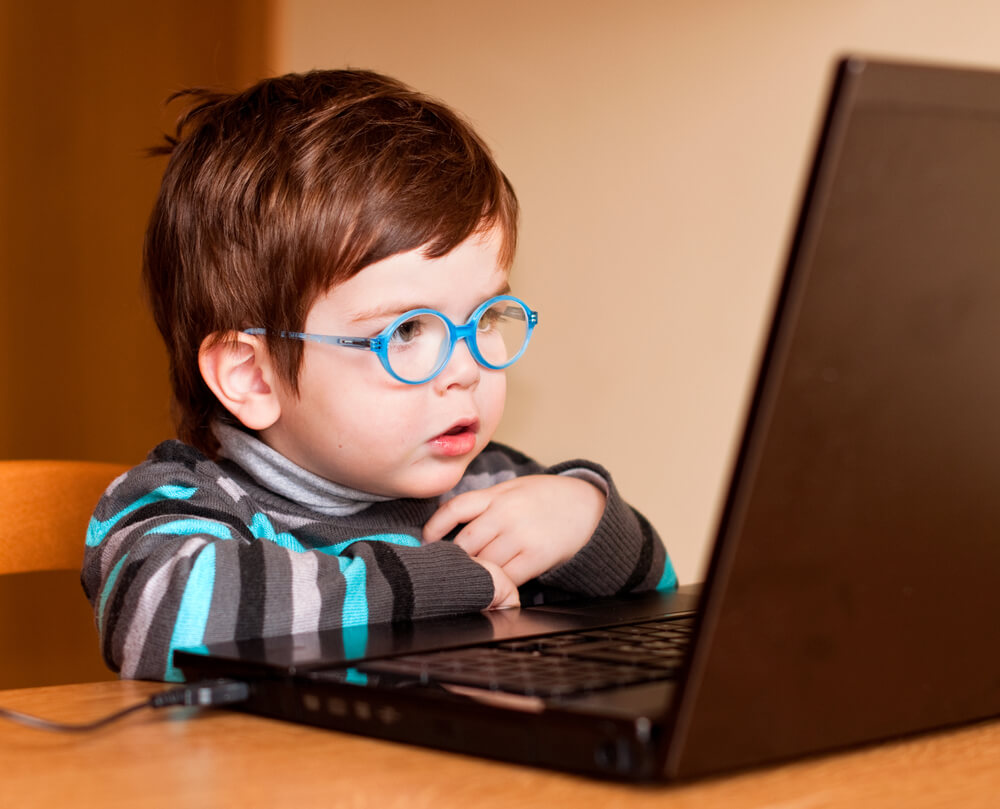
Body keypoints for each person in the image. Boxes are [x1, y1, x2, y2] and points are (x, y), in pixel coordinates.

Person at [82, 69, 676, 682]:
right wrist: (442, 581)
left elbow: (661, 592)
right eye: (407, 331)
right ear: (253, 377)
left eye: (486, 316)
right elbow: (168, 616)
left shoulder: (489, 486)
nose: (467, 370)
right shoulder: (187, 501)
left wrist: (586, 521)